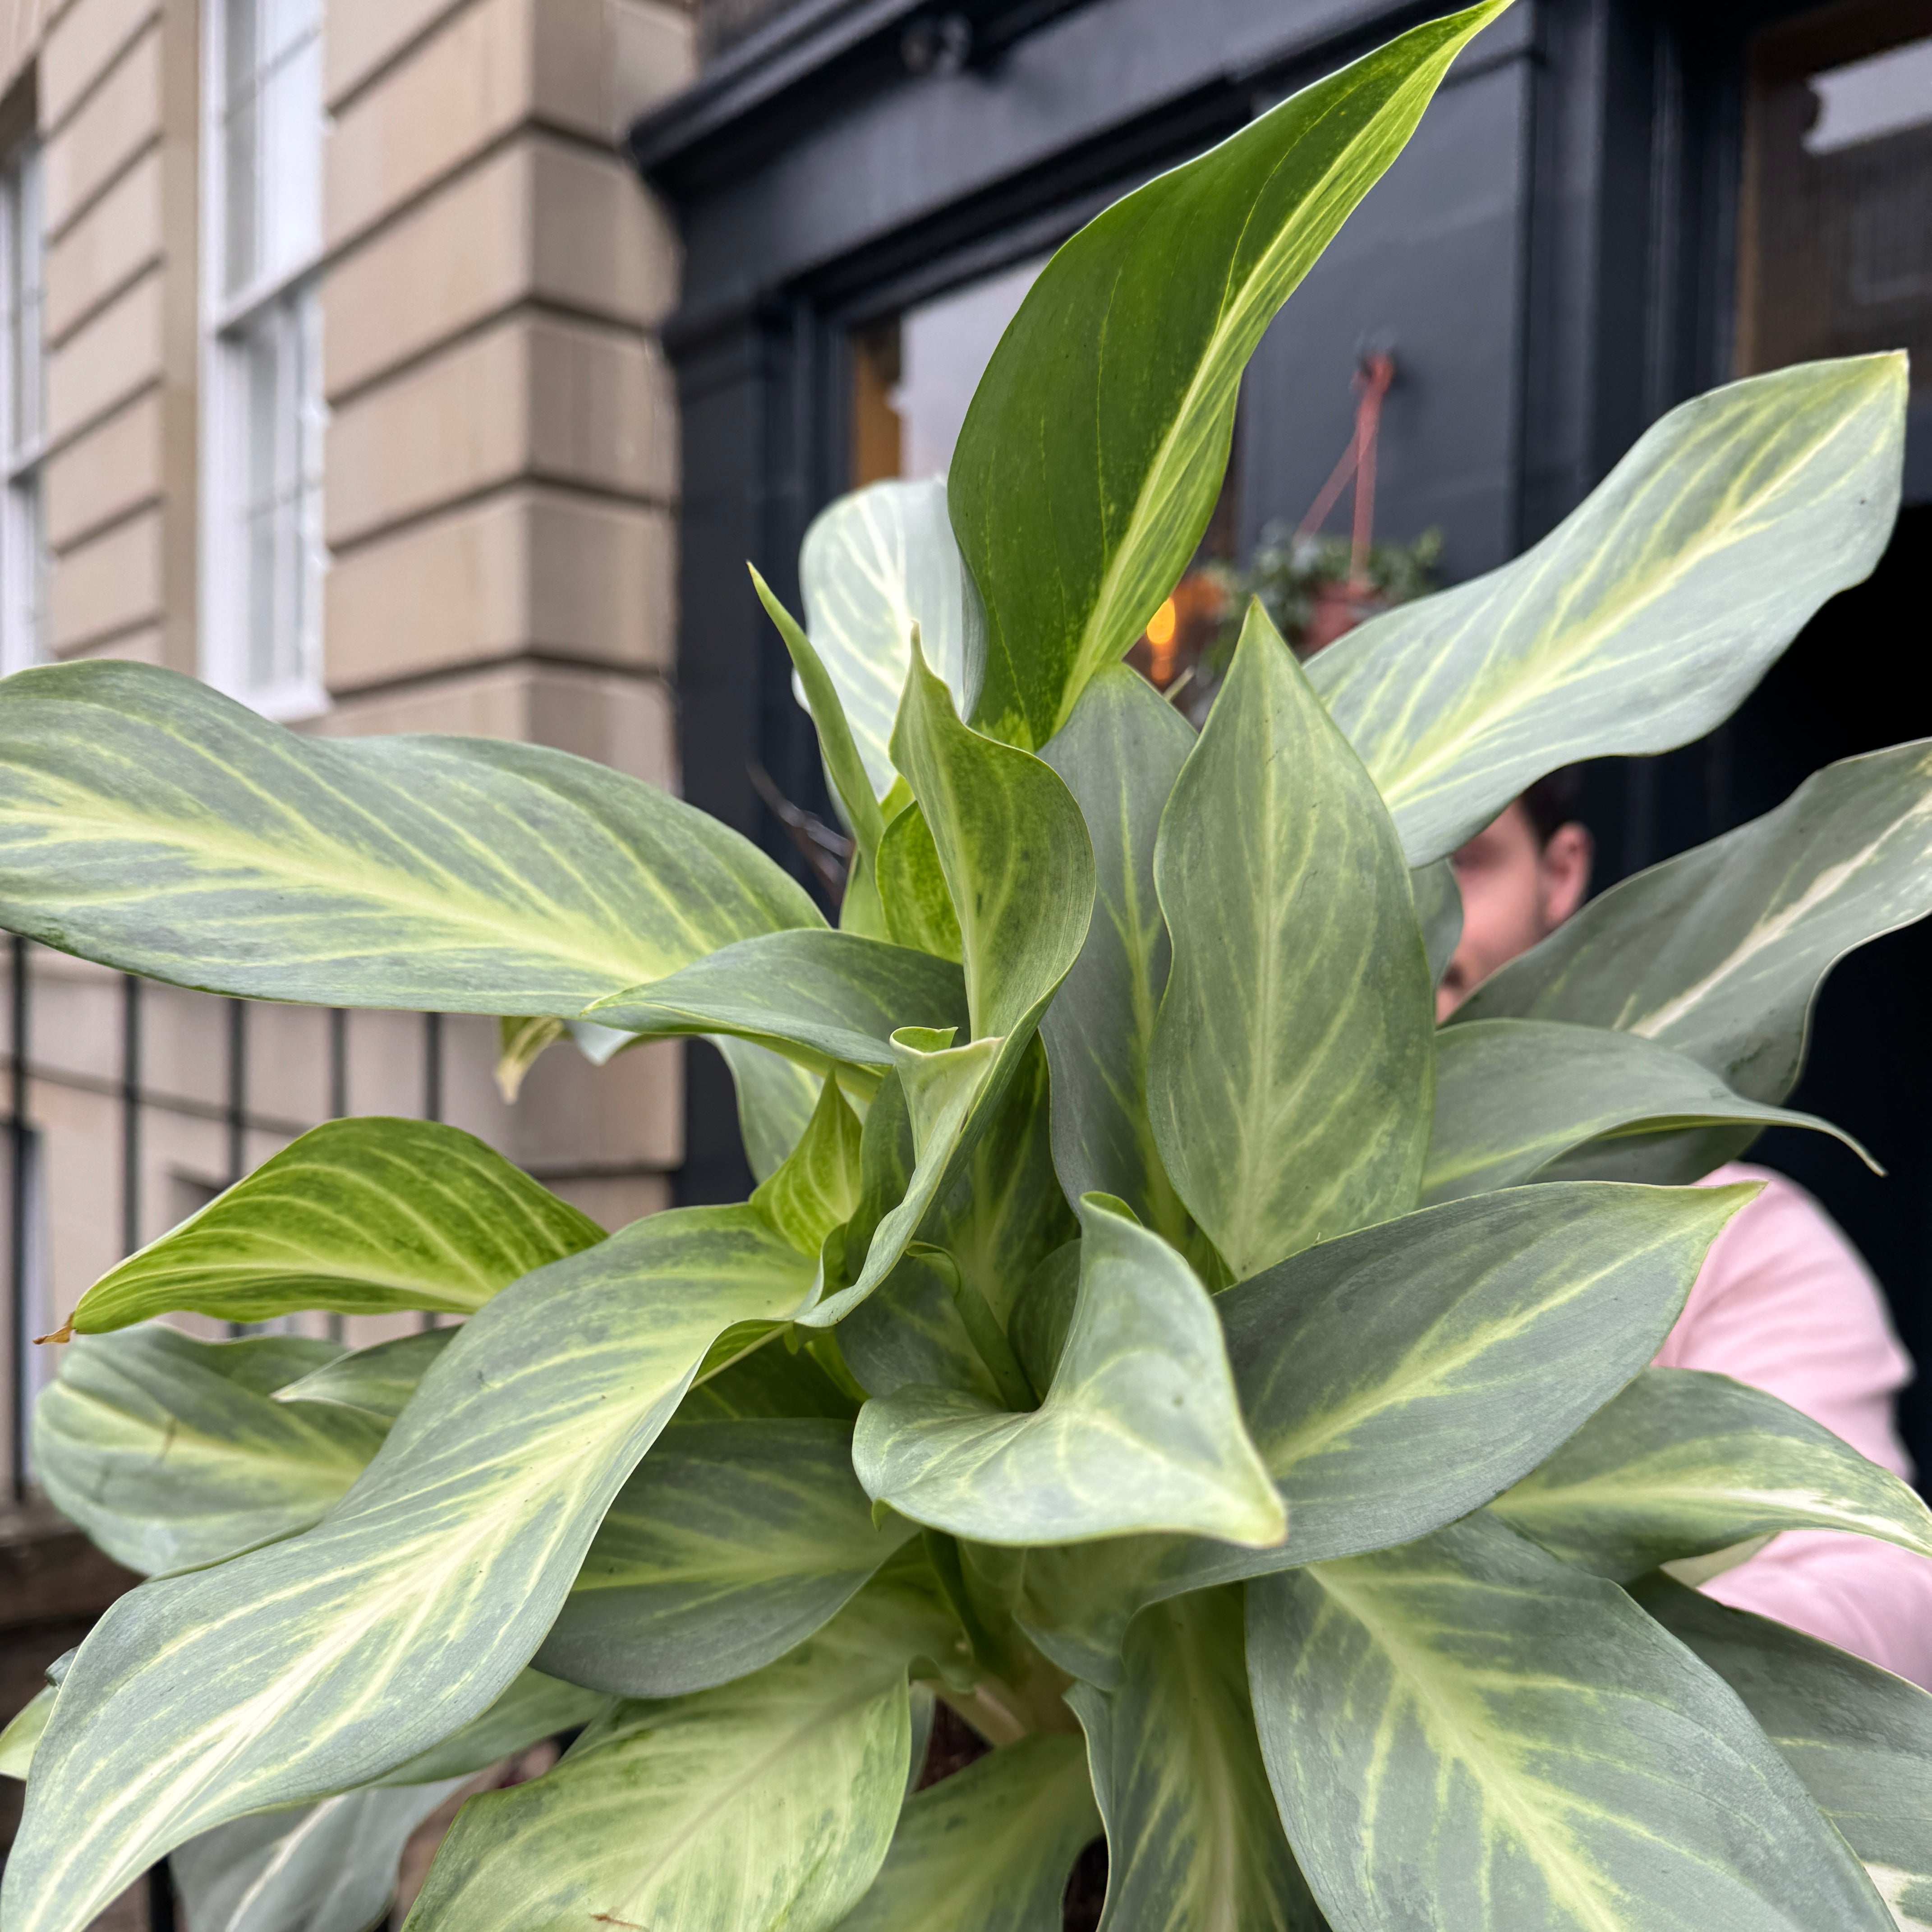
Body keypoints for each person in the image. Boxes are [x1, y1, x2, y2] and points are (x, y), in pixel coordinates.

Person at [1444, 773, 1932, 1688]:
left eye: (1459, 864)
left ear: (1560, 872)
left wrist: (1522, 1677)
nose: (1413, 922)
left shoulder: (1731, 1243)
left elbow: (1876, 1590)